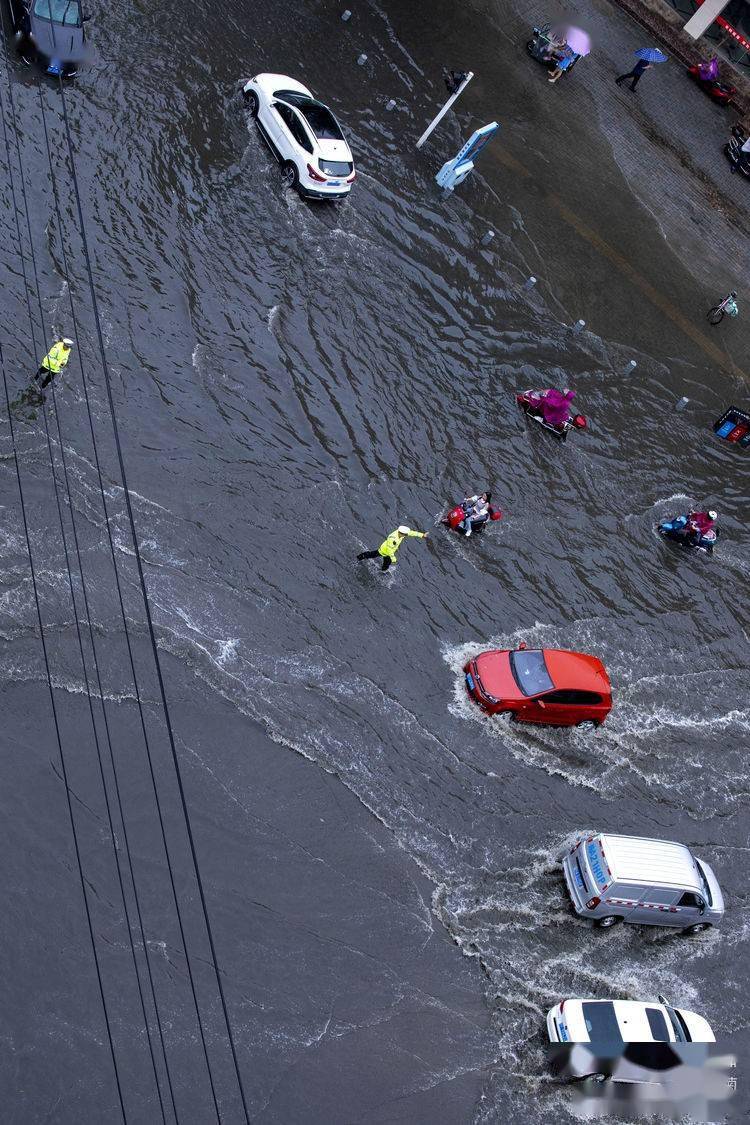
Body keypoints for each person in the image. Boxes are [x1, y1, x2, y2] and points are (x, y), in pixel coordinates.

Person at [357, 525, 429, 572]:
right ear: (401, 533)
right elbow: (389, 550)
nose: (406, 535)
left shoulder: (401, 533)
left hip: (389, 552)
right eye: (405, 534)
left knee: (386, 564)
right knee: (372, 555)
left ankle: (383, 571)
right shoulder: (392, 538)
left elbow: (411, 533)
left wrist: (422, 535)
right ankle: (360, 557)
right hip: (384, 551)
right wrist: (393, 558)